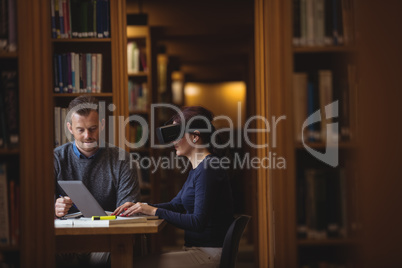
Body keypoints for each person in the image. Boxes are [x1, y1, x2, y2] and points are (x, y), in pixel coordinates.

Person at [113, 106, 234, 268]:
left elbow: (197, 222)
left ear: (195, 136)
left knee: (130, 264)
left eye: (176, 134)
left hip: (207, 254)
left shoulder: (208, 169)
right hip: (199, 250)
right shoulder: (199, 168)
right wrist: (141, 207)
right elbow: (176, 205)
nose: (173, 141)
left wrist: (154, 211)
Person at [54, 95, 141, 267]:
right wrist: (53, 208)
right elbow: (35, 209)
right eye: (80, 130)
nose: (88, 136)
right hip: (65, 240)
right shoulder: (55, 159)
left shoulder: (123, 160)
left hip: (105, 241)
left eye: (92, 128)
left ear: (101, 124)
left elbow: (128, 214)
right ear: (70, 128)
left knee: (116, 253)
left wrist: (121, 213)